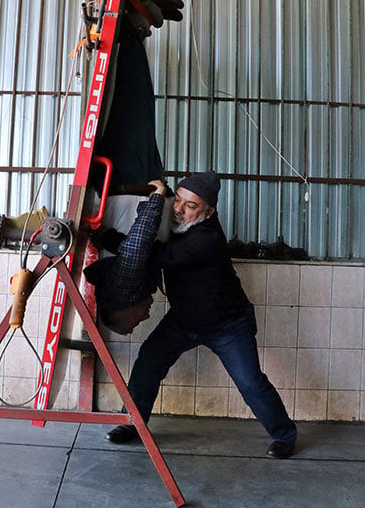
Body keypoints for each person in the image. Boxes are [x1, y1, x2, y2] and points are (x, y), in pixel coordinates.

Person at [105, 170, 297, 460]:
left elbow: (152, 256)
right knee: (148, 362)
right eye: (178, 201)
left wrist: (104, 236)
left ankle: (284, 435)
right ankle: (132, 423)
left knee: (250, 381)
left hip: (227, 325)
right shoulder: (180, 222)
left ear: (209, 212)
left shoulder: (206, 240)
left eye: (191, 206)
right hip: (184, 320)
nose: (179, 210)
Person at [84, 179, 167, 335]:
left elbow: (137, 246)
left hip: (136, 190)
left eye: (135, 323)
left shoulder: (119, 293)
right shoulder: (126, 290)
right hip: (135, 191)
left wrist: (156, 198)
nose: (146, 316)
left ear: (121, 313)